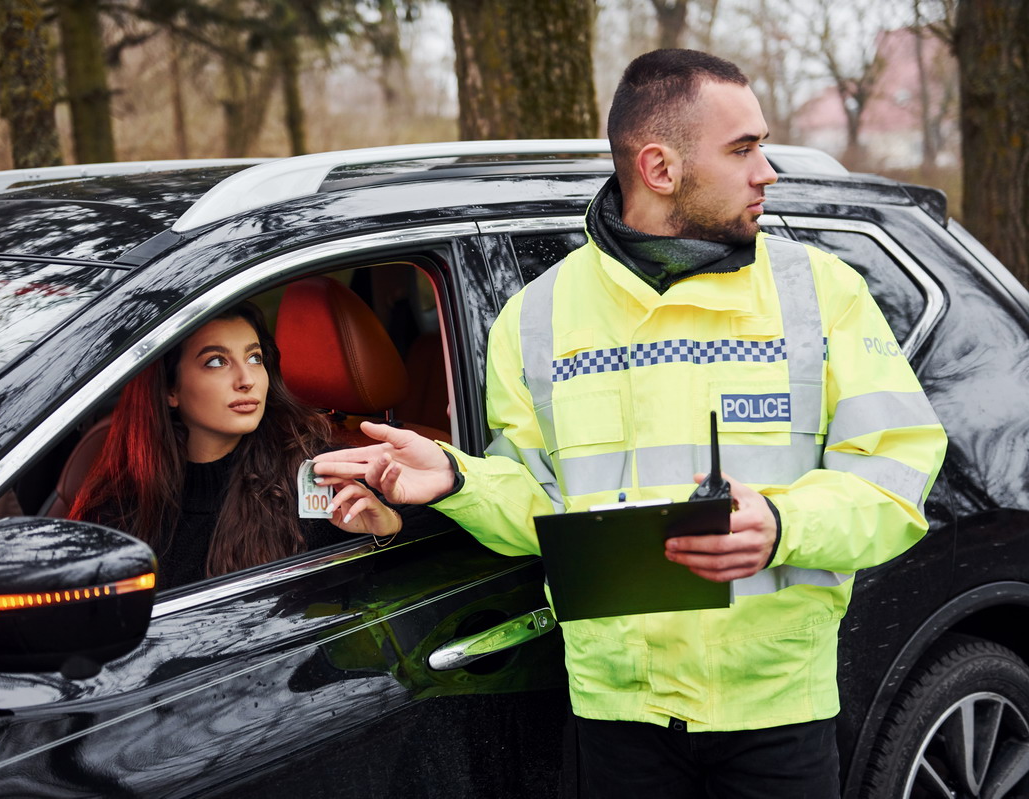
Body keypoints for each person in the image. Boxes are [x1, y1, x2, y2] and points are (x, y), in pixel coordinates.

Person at [314, 49, 948, 797]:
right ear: (659, 167)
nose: (766, 170)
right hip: (616, 717)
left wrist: (783, 522)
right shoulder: (536, 319)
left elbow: (897, 474)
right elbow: (543, 511)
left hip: (777, 711)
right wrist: (458, 479)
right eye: (743, 148)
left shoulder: (823, 296)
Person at [70, 301, 400, 590]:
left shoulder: (313, 474)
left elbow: (398, 575)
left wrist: (387, 528)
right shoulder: (121, 499)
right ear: (171, 389)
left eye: (255, 358)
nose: (247, 379)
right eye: (216, 361)